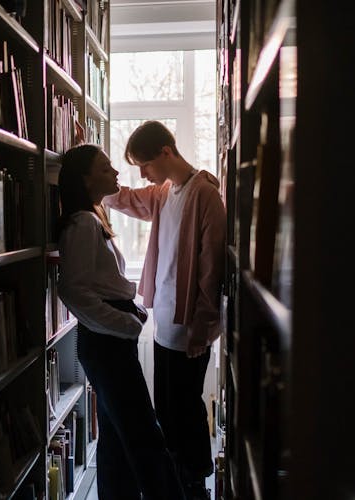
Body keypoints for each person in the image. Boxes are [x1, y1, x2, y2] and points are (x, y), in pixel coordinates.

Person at [103, 121, 226, 500]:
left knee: (187, 410)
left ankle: (195, 484)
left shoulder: (204, 195)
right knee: (168, 409)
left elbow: (211, 268)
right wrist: (95, 186)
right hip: (163, 325)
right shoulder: (165, 191)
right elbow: (127, 198)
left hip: (190, 327)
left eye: (145, 164)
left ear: (166, 153)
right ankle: (176, 480)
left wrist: (202, 329)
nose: (142, 173)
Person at [56, 144, 186, 500]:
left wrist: (132, 314)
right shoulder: (83, 223)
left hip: (109, 341)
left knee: (116, 438)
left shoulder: (94, 217)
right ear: (85, 179)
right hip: (106, 343)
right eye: (105, 168)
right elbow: (73, 290)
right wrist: (127, 323)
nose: (115, 173)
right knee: (146, 435)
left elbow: (99, 283)